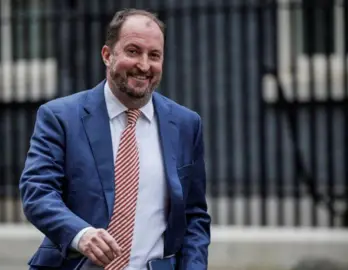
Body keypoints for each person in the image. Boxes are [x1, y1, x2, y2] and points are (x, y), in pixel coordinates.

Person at [19, 8, 211, 270]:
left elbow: (194, 216)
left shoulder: (187, 125)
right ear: (107, 55)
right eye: (133, 51)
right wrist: (81, 235)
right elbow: (37, 192)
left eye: (154, 55)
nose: (144, 65)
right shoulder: (60, 117)